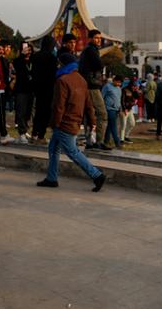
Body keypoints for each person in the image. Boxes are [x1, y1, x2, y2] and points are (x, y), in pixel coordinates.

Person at [37, 53, 107, 191]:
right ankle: (51, 178)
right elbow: (88, 104)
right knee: (53, 148)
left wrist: (55, 124)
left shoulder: (62, 80)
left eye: (59, 63)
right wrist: (92, 120)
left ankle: (96, 175)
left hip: (64, 122)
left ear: (63, 64)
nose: (58, 65)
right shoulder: (82, 80)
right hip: (74, 120)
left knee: (73, 152)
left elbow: (59, 106)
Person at [78, 29, 109, 150]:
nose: (99, 40)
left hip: (88, 85)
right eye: (96, 38)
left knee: (89, 114)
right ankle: (99, 141)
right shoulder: (91, 50)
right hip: (92, 86)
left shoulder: (87, 50)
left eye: (100, 38)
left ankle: (90, 141)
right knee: (102, 114)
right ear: (90, 39)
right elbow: (98, 65)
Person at [31, 35, 57, 145]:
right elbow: (53, 74)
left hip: (37, 88)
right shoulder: (52, 58)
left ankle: (34, 134)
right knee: (45, 113)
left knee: (38, 112)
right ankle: (41, 135)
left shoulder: (35, 56)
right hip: (48, 88)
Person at [12, 42, 35, 144]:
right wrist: (22, 55)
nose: (28, 52)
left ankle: (25, 130)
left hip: (31, 91)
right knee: (21, 111)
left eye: (29, 50)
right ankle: (21, 133)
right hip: (21, 91)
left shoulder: (33, 61)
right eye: (25, 49)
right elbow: (16, 64)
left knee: (28, 113)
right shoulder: (18, 61)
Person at [102, 75, 123, 148]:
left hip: (116, 109)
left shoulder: (119, 89)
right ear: (114, 80)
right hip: (109, 109)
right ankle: (117, 142)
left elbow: (119, 99)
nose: (119, 84)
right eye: (118, 82)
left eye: (120, 83)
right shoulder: (107, 86)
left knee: (110, 126)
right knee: (113, 126)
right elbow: (102, 96)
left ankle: (106, 141)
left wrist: (120, 108)